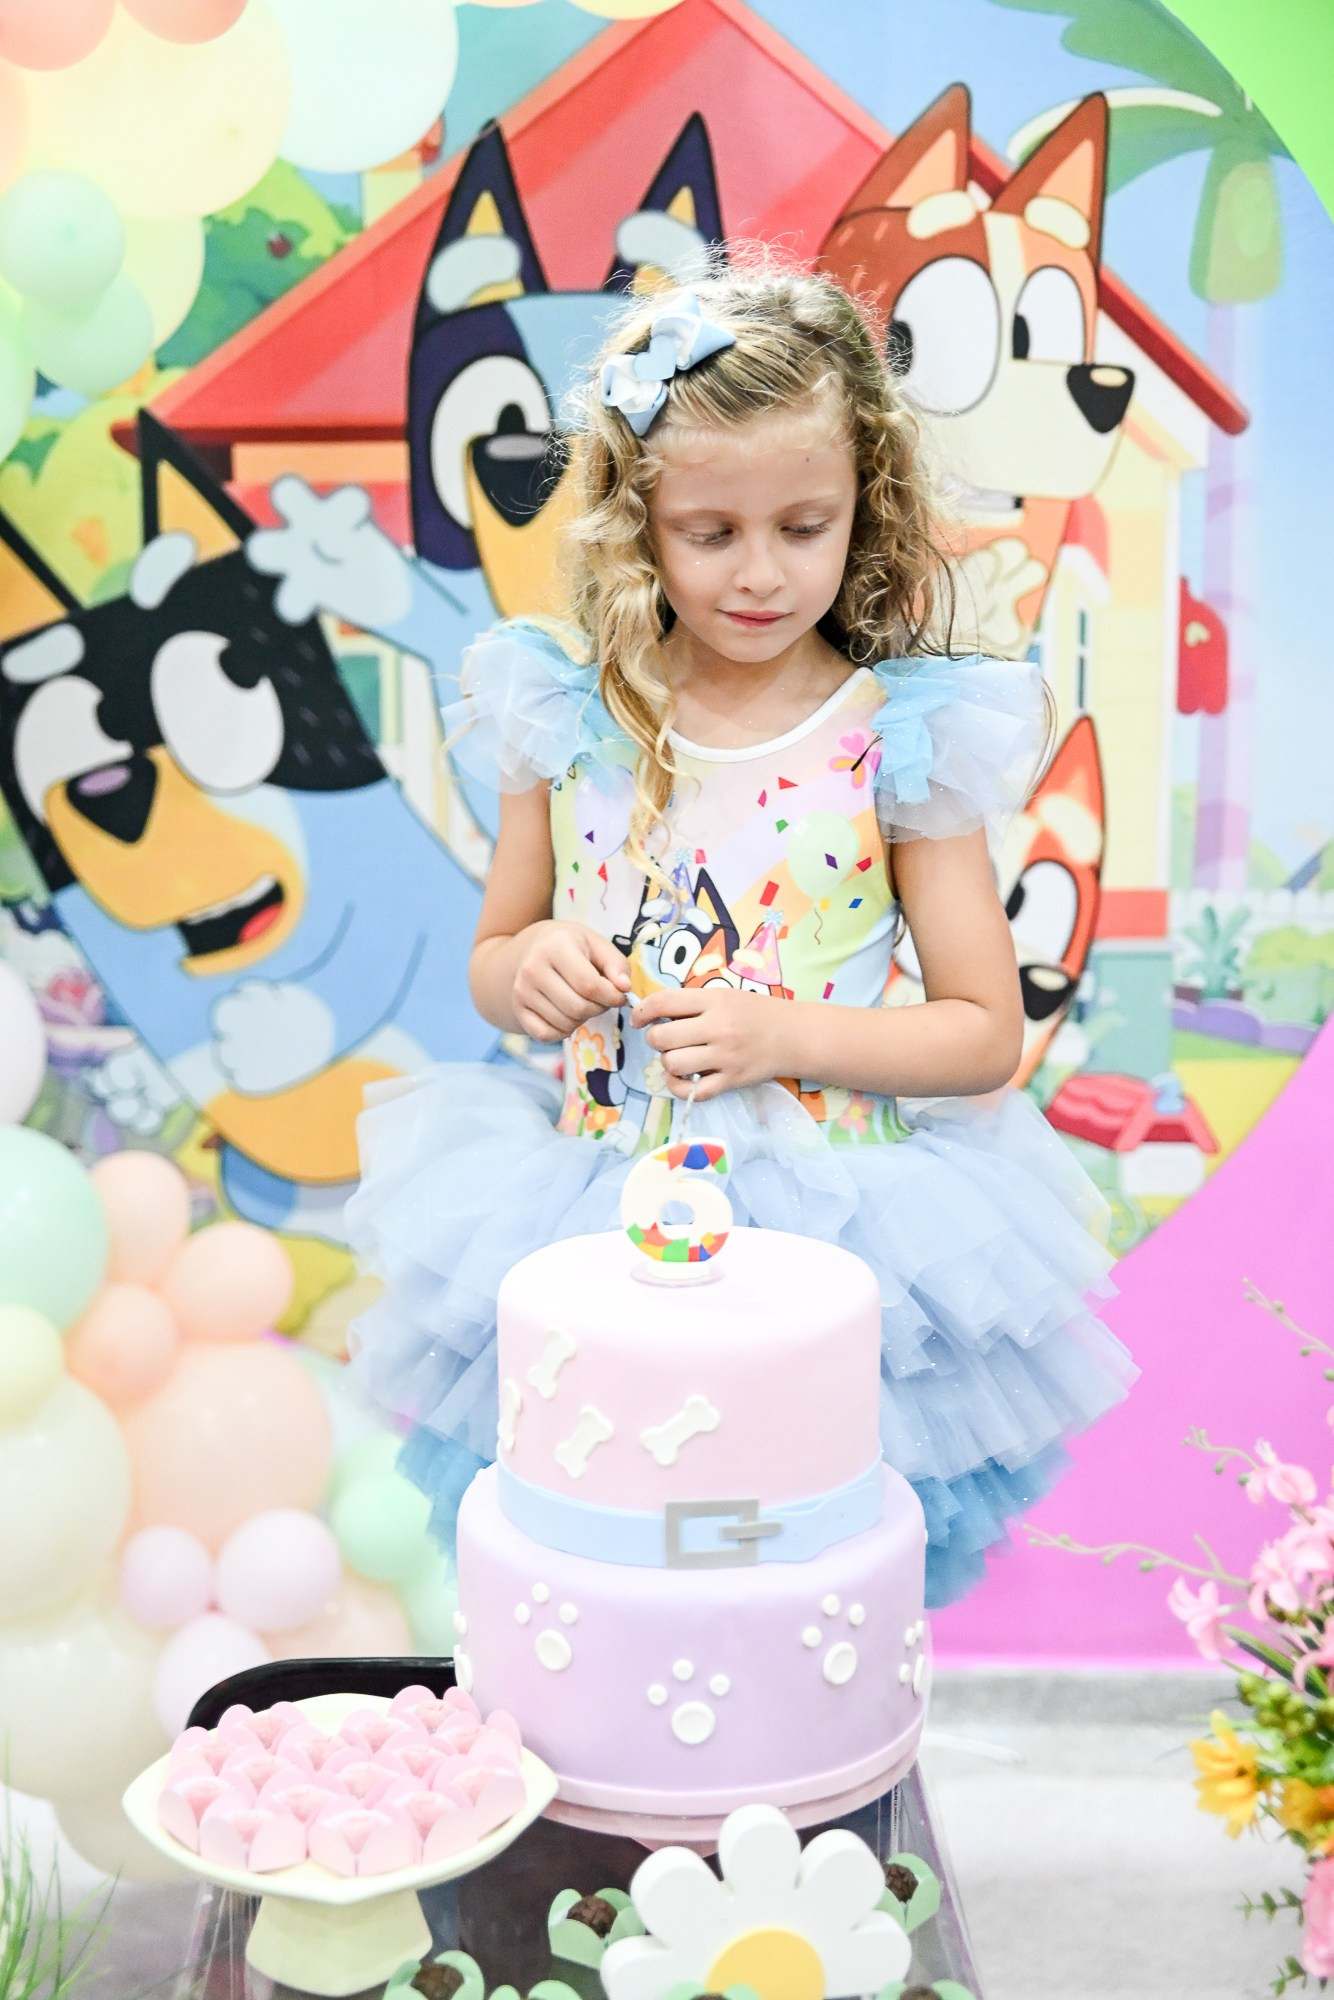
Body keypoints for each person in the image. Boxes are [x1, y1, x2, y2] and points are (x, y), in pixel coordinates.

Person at [347, 263, 1134, 1607]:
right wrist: (529, 969)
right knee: (611, 1566)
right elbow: (493, 961)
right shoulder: (564, 713)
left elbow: (982, 1036)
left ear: (864, 505)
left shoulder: (896, 737)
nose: (761, 572)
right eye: (709, 532)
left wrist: (781, 1035)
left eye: (803, 526)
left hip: (831, 1240)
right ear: (633, 520)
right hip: (597, 1218)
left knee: (800, 1584)